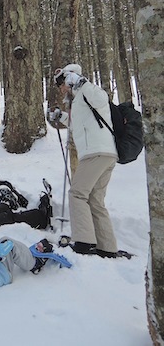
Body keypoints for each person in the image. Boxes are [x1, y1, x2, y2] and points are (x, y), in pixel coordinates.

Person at [51, 63, 119, 258]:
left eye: (62, 83)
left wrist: (82, 82)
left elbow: (102, 98)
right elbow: (78, 123)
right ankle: (107, 247)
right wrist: (62, 116)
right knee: (95, 200)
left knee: (77, 194)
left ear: (71, 78)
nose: (62, 88)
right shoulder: (79, 99)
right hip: (103, 153)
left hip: (96, 152)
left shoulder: (88, 90)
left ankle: (84, 242)